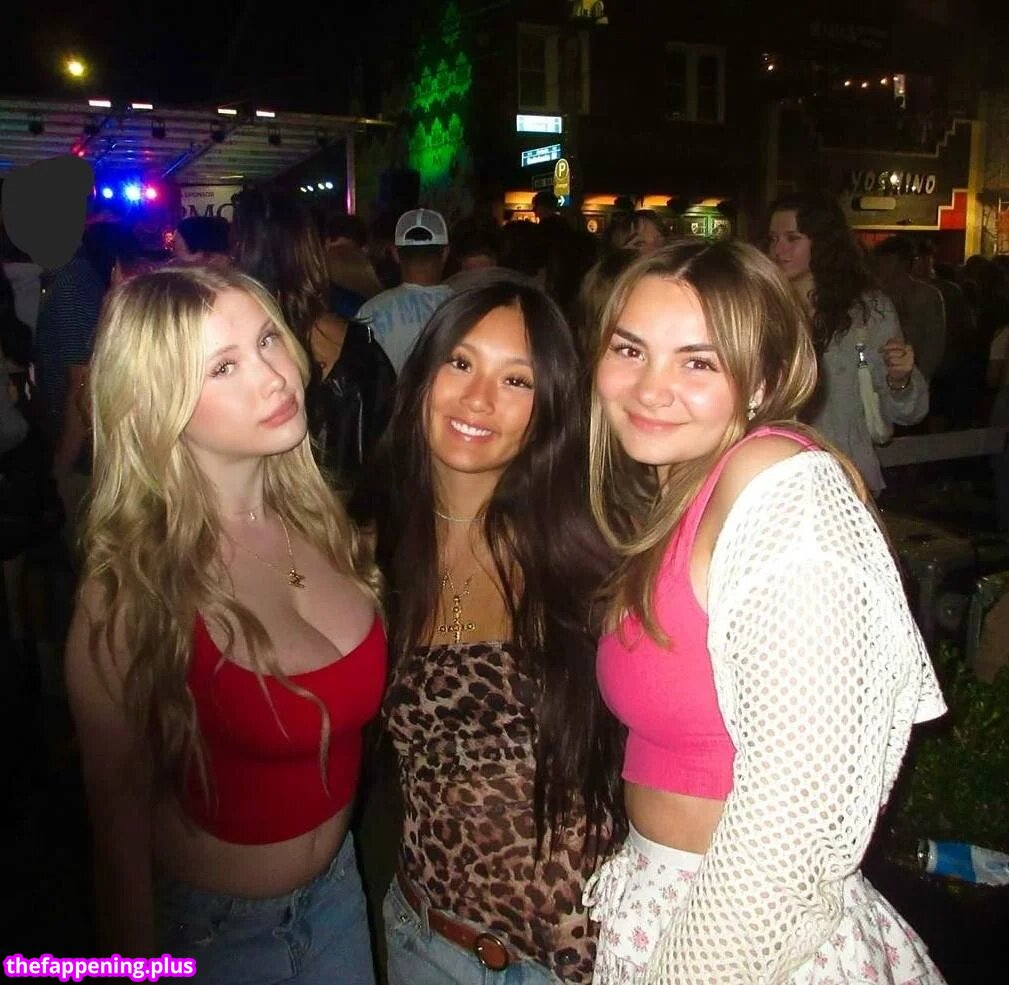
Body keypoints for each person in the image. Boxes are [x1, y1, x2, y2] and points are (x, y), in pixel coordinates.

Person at [582, 239, 947, 984]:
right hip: (683, 903)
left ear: (765, 381)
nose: (650, 387)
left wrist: (688, 971)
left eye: (698, 362)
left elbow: (798, 817)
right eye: (630, 349)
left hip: (748, 941)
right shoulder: (688, 485)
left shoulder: (779, 487)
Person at [64, 265, 385, 982]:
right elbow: (116, 837)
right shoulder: (133, 588)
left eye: (268, 339)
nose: (272, 377)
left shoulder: (324, 521)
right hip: (213, 938)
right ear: (157, 405)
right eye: (223, 366)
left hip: (339, 896)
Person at [368, 271, 625, 984]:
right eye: (461, 363)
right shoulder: (366, 554)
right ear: (423, 376)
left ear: (550, 408)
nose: (478, 398)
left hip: (585, 961)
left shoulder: (592, 557)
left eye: (516, 380)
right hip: (432, 945)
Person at [234, 191, 396, 500]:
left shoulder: (225, 353)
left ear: (243, 252)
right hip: (345, 513)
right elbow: (387, 447)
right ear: (312, 252)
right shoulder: (359, 343)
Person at [767, 191, 927, 494]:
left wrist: (900, 379)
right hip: (772, 473)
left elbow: (909, 413)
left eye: (792, 238)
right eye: (773, 239)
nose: (778, 249)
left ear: (823, 243)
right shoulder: (761, 307)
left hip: (843, 475)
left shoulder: (867, 312)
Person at [356, 209, 452, 373]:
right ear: (445, 253)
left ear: (395, 253)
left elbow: (359, 371)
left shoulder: (371, 311)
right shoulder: (467, 308)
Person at [872, 236, 946, 383]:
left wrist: (920, 380)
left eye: (888, 261)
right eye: (881, 261)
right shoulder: (875, 297)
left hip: (914, 374)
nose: (882, 266)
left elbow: (934, 343)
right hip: (880, 377)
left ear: (903, 263)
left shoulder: (926, 295)